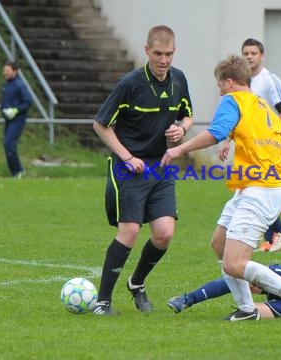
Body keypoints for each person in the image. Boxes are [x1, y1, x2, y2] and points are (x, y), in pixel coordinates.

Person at [161, 55, 281, 324]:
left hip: (259, 190)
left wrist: (180, 148)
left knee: (234, 262)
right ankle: (246, 308)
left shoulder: (232, 101)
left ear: (230, 82)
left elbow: (217, 131)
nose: (219, 89)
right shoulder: (265, 108)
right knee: (219, 244)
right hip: (259, 188)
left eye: (219, 84)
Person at [91, 25, 194, 316]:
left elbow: (187, 114)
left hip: (161, 167)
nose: (164, 60)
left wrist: (181, 129)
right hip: (131, 168)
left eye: (169, 54)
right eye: (159, 53)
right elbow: (101, 124)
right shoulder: (130, 83)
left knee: (164, 234)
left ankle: (136, 283)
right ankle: (102, 302)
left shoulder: (178, 80)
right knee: (130, 232)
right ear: (147, 50)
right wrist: (126, 156)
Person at [220, 38, 281, 253]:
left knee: (254, 192)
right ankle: (271, 235)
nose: (249, 56)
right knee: (250, 192)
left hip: (268, 149)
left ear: (262, 56)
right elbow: (241, 117)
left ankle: (273, 234)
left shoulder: (270, 80)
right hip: (249, 149)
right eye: (246, 53)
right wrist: (227, 140)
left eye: (253, 53)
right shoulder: (242, 82)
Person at [0, 60, 33, 178]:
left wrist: (15, 110)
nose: (5, 73)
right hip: (8, 120)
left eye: (8, 70)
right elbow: (8, 101)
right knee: (7, 145)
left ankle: (19, 170)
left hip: (18, 120)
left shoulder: (20, 85)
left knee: (9, 143)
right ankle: (15, 172)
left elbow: (28, 102)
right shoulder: (6, 84)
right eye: (4, 70)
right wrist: (0, 106)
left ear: (15, 71)